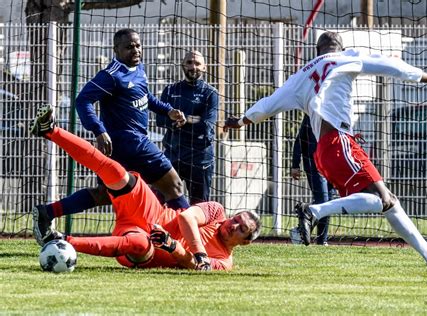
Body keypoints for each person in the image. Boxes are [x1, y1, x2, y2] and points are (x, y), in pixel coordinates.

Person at [224, 31, 427, 276]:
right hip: (339, 142)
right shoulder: (347, 57)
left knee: (389, 202)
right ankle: (314, 211)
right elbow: (392, 66)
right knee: (383, 200)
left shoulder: (301, 75)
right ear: (340, 47)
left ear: (317, 50)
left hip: (325, 151)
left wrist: (243, 120)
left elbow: (269, 103)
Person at [30, 104, 261, 271]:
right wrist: (199, 252)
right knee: (117, 173)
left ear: (246, 242)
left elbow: (195, 266)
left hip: (147, 249)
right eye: (237, 220)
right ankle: (50, 130)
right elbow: (186, 219)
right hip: (153, 212)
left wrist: (173, 247)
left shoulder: (225, 262)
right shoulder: (217, 212)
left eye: (241, 229)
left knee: (140, 243)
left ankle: (61, 240)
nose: (234, 225)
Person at [32, 28, 190, 246]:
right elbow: (82, 100)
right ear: (116, 50)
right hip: (131, 142)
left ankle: (47, 212)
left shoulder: (138, 68)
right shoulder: (111, 75)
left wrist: (167, 110)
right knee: (174, 187)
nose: (135, 50)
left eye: (137, 45)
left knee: (104, 195)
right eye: (128, 47)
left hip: (127, 147)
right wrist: (98, 130)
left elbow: (146, 97)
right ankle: (188, 241)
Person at [157, 51, 219, 204]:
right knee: (161, 201)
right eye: (189, 62)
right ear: (183, 65)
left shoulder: (210, 93)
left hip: (200, 158)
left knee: (199, 206)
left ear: (204, 67)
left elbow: (206, 126)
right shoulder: (171, 90)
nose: (193, 66)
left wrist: (182, 119)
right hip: (174, 153)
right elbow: (160, 120)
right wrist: (193, 119)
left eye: (197, 63)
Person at [289, 114, 332, 246]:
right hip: (314, 164)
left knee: (328, 203)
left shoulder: (337, 113)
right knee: (323, 201)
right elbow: (300, 140)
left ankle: (320, 240)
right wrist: (295, 165)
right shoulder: (313, 114)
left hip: (331, 164)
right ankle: (304, 228)